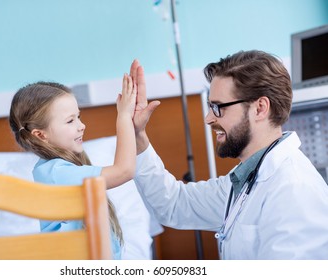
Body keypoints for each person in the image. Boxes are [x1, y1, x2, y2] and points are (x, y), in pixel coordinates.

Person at [128, 51, 328, 259]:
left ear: (260, 108)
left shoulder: (293, 191)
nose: (208, 118)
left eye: (217, 107)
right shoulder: (246, 180)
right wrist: (137, 135)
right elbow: (174, 204)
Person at [9, 74, 137, 259]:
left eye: (79, 117)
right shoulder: (56, 173)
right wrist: (124, 116)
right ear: (40, 135)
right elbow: (124, 170)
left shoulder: (62, 169)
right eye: (70, 121)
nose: (82, 125)